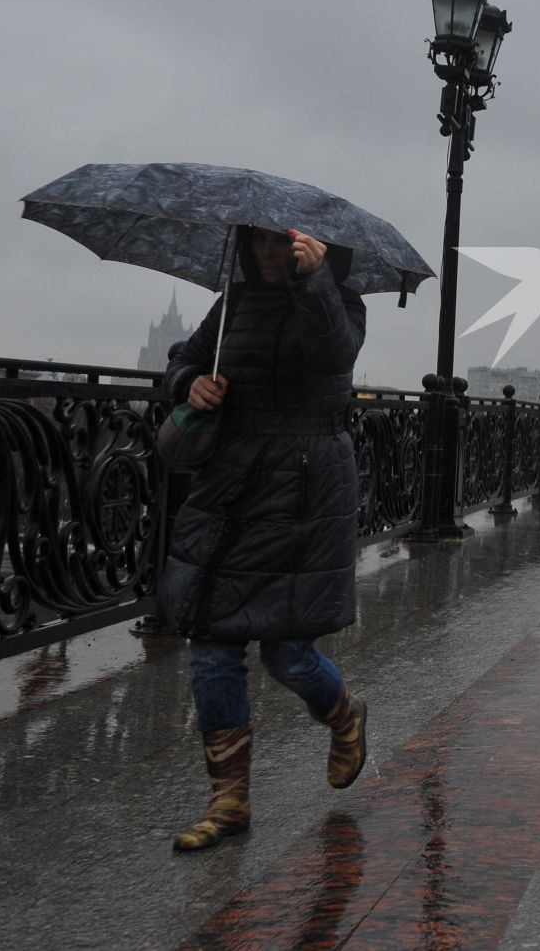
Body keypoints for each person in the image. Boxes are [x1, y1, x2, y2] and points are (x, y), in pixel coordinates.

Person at [161, 224, 370, 850]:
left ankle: (343, 713)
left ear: (315, 249)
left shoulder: (342, 301)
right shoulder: (234, 303)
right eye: (260, 246)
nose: (270, 255)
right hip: (233, 484)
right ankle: (228, 801)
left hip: (307, 487)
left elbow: (334, 354)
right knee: (213, 642)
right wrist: (189, 385)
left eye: (282, 245)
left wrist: (317, 282)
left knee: (287, 652)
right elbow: (187, 357)